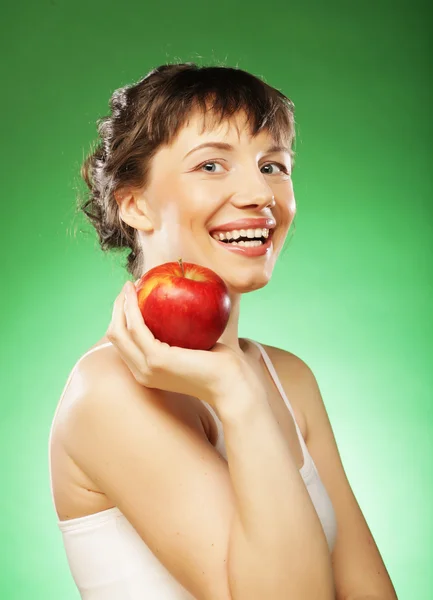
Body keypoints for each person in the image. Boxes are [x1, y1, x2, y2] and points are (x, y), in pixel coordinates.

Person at [48, 63, 397, 600]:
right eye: (211, 165)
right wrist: (235, 392)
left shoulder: (289, 379)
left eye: (273, 165)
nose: (260, 193)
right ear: (134, 203)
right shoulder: (110, 393)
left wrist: (239, 379)